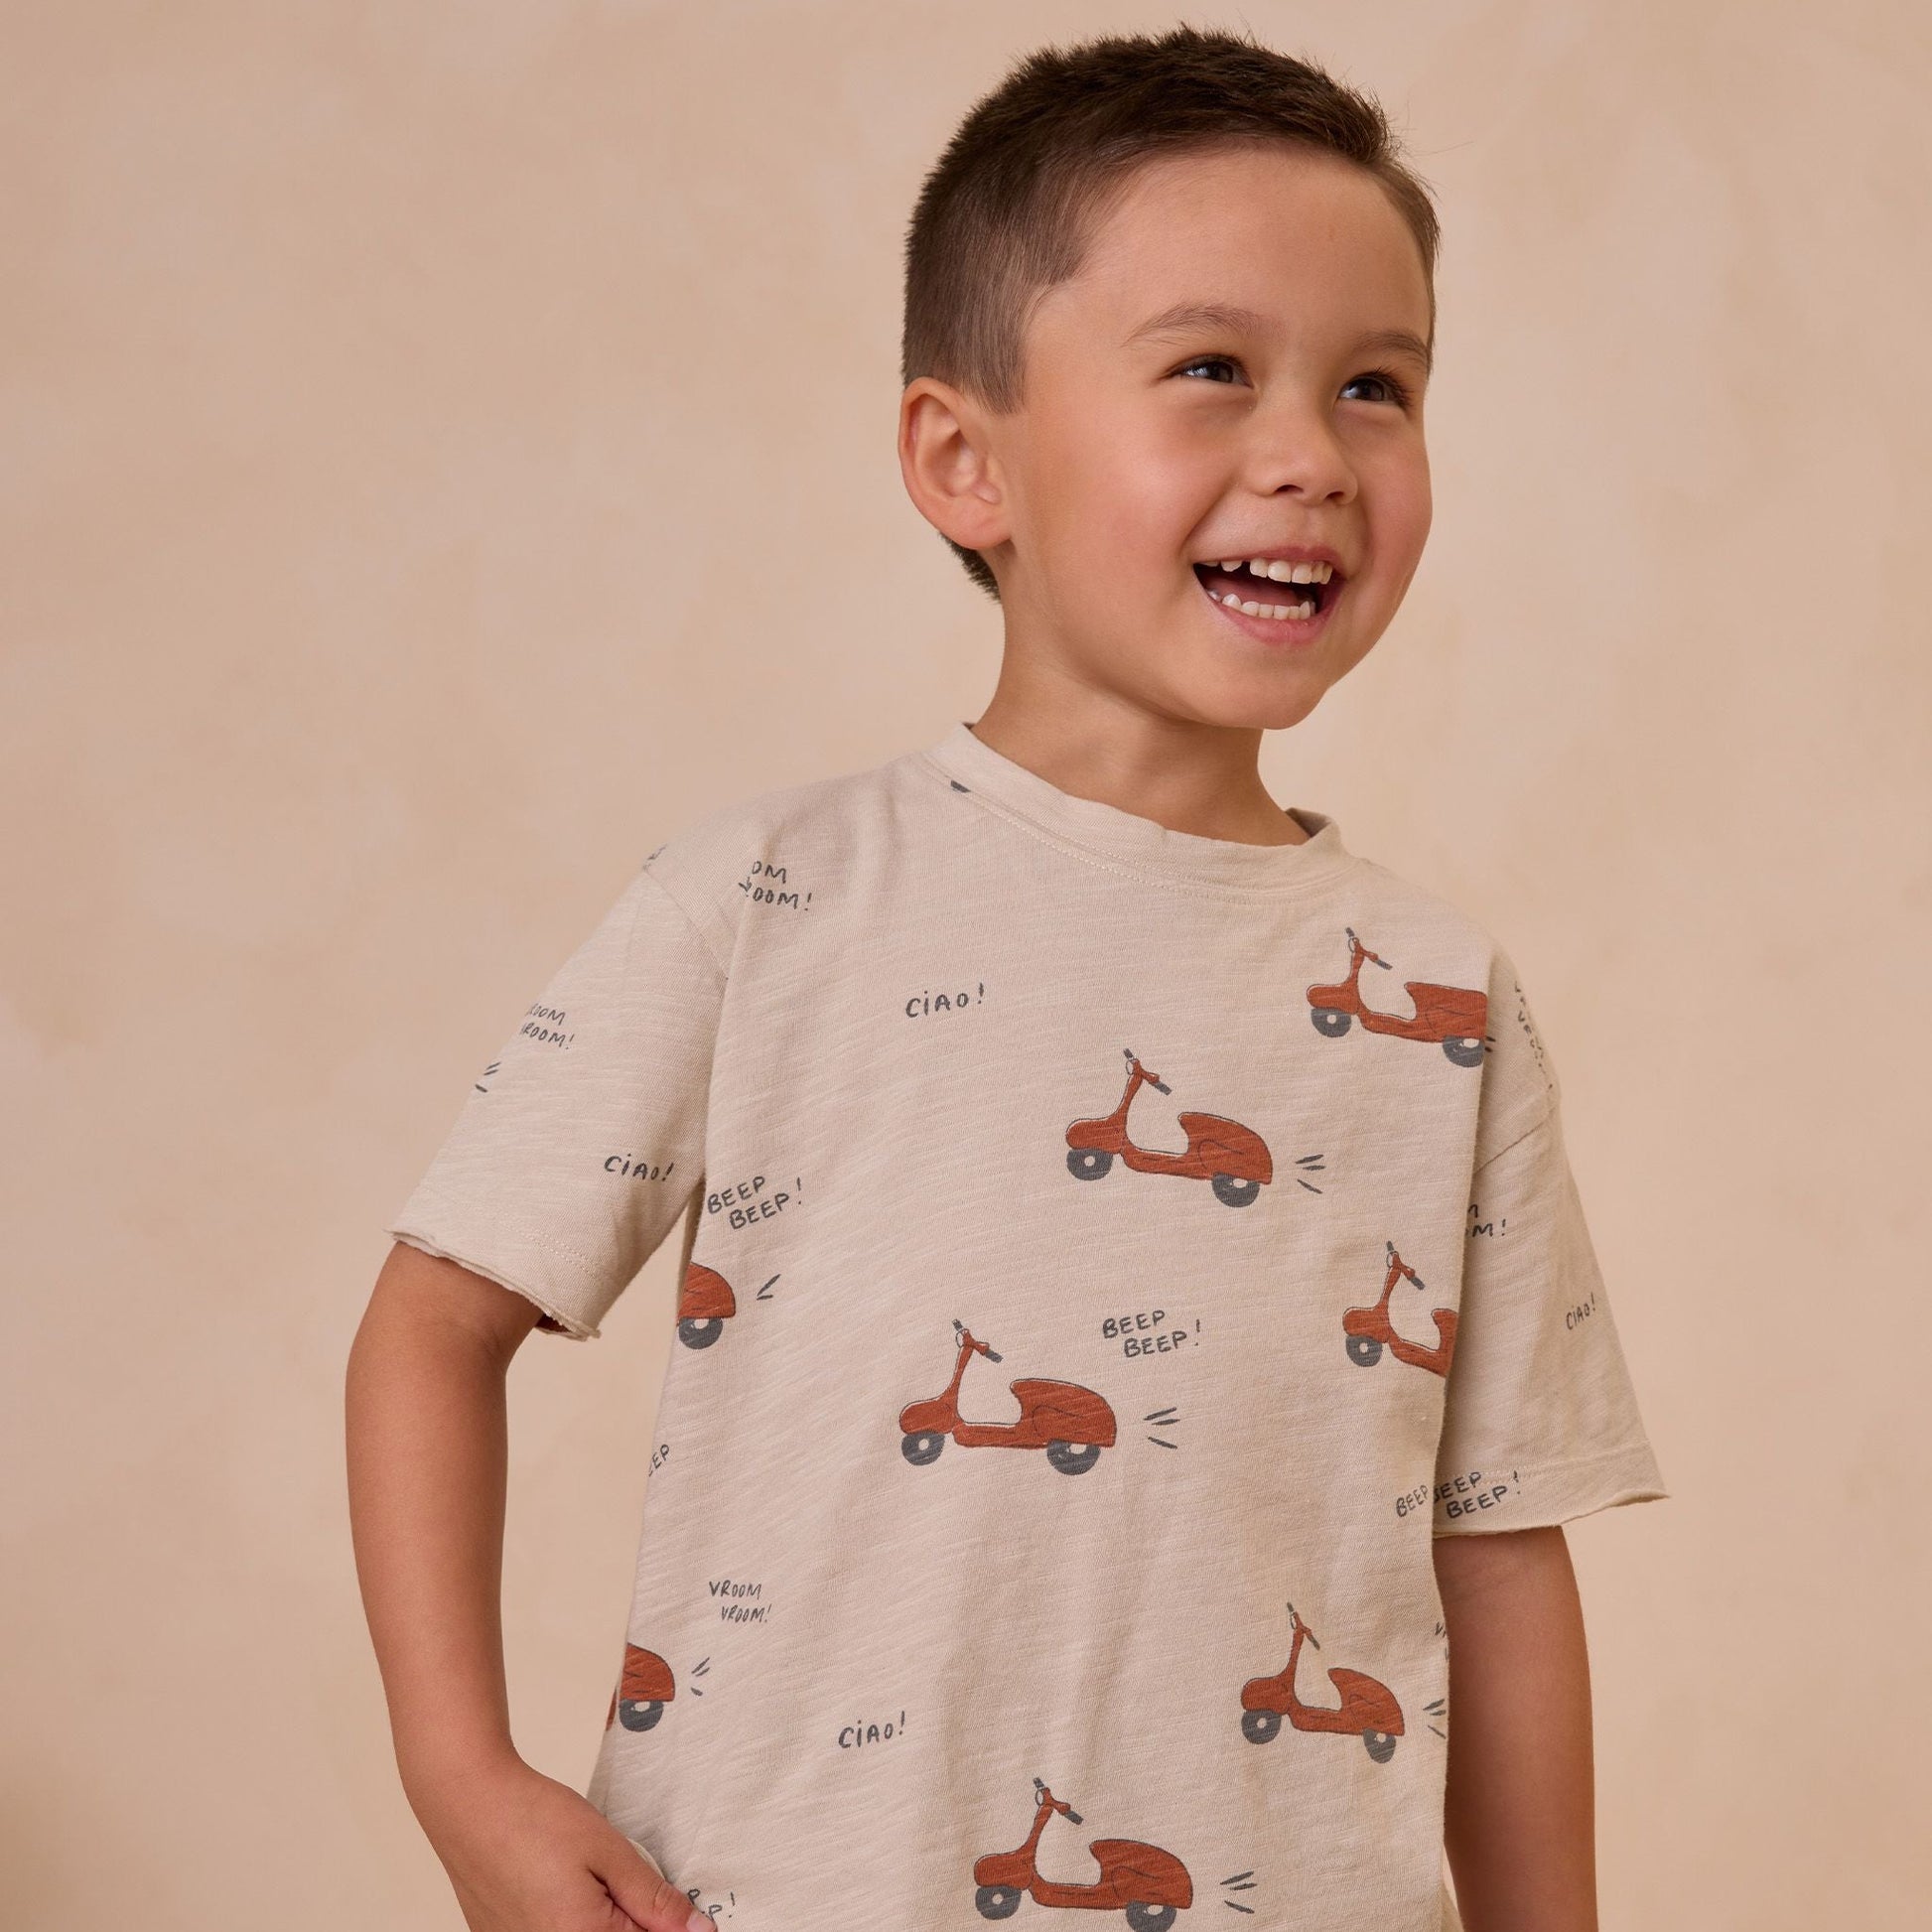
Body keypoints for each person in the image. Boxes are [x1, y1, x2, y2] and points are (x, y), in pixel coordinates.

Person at [345, 24, 1667, 1932]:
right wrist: (463, 1779)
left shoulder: (1437, 997)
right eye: (1211, 370)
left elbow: (1500, 1549)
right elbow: (431, 1322)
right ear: (965, 461)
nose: (1310, 456)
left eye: (1375, 387)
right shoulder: (768, 899)